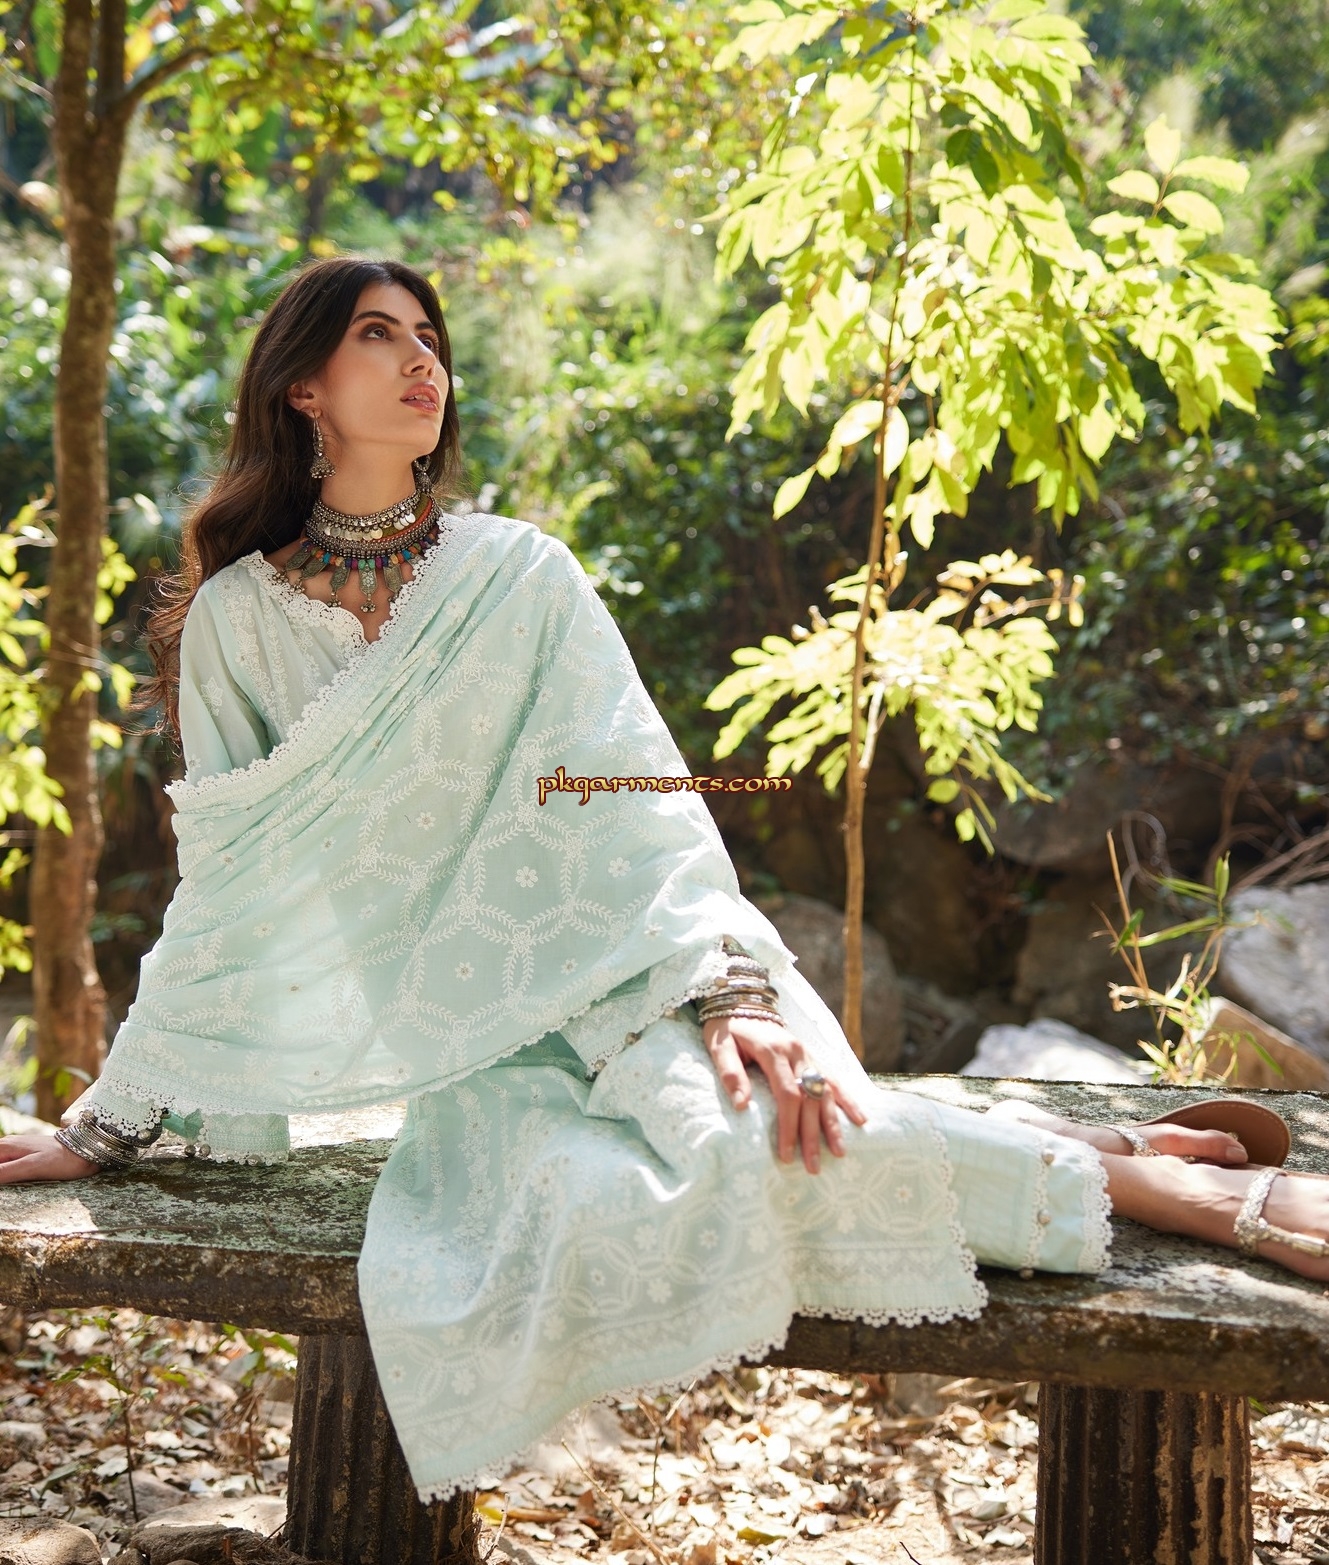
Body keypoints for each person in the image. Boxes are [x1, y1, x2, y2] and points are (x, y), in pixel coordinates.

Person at [3, 255, 1329, 1502]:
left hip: (642, 964)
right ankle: (1119, 1162)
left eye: (431, 340)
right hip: (469, 1036)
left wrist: (729, 988)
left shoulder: (518, 577)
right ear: (302, 386)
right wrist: (107, 1124)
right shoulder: (238, 619)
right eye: (378, 335)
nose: (422, 363)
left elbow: (632, 800)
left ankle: (1179, 1190)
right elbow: (233, 892)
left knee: (778, 1126)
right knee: (684, 1175)